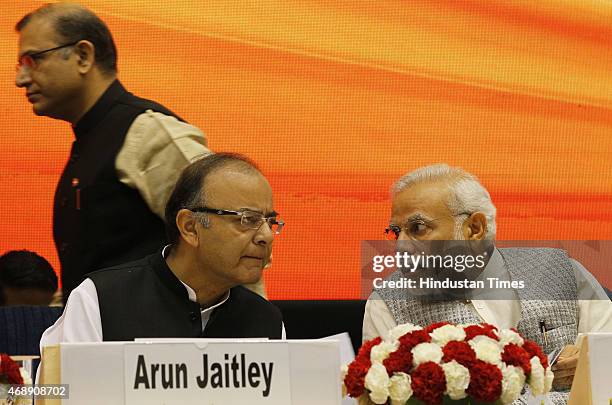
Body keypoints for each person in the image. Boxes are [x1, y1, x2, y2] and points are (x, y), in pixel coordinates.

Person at [362, 164, 612, 404]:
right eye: (396, 231)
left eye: (417, 228)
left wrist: (594, 364)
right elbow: (380, 397)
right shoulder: (387, 302)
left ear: (475, 228)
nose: (401, 245)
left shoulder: (559, 269)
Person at [14, 3, 211, 301]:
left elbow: (228, 238)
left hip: (158, 346)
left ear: (83, 56)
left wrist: (254, 340)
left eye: (33, 60)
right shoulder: (93, 138)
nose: (21, 79)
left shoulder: (147, 132)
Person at [39, 153, 285, 345]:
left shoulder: (266, 320)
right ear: (190, 227)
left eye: (270, 221)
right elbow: (55, 393)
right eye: (247, 219)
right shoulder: (99, 300)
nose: (265, 236)